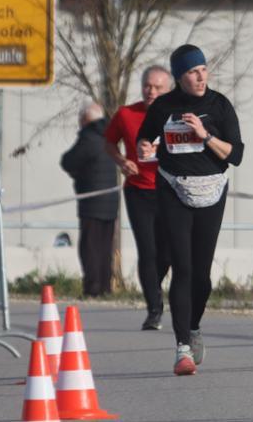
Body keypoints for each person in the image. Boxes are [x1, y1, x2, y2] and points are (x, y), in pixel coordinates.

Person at [137, 45, 244, 376]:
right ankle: (182, 347)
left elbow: (235, 154)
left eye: (203, 69)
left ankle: (193, 325)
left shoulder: (220, 105)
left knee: (201, 274)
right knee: (182, 267)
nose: (200, 77)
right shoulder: (165, 106)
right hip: (173, 188)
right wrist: (143, 146)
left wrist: (205, 134)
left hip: (212, 189)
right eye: (192, 72)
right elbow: (145, 138)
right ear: (179, 77)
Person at [105, 65, 173, 330]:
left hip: (169, 190)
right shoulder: (126, 114)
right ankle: (154, 309)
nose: (151, 91)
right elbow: (109, 142)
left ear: (168, 90)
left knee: (167, 253)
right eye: (147, 86)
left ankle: (152, 286)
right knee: (148, 250)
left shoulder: (177, 115)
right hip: (138, 191)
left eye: (157, 87)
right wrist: (122, 161)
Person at [61, 103, 120, 298]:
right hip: (111, 204)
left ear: (86, 119)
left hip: (92, 203)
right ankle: (105, 286)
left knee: (90, 247)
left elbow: (68, 160)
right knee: (105, 248)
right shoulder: (110, 135)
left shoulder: (89, 137)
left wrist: (77, 174)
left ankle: (93, 287)